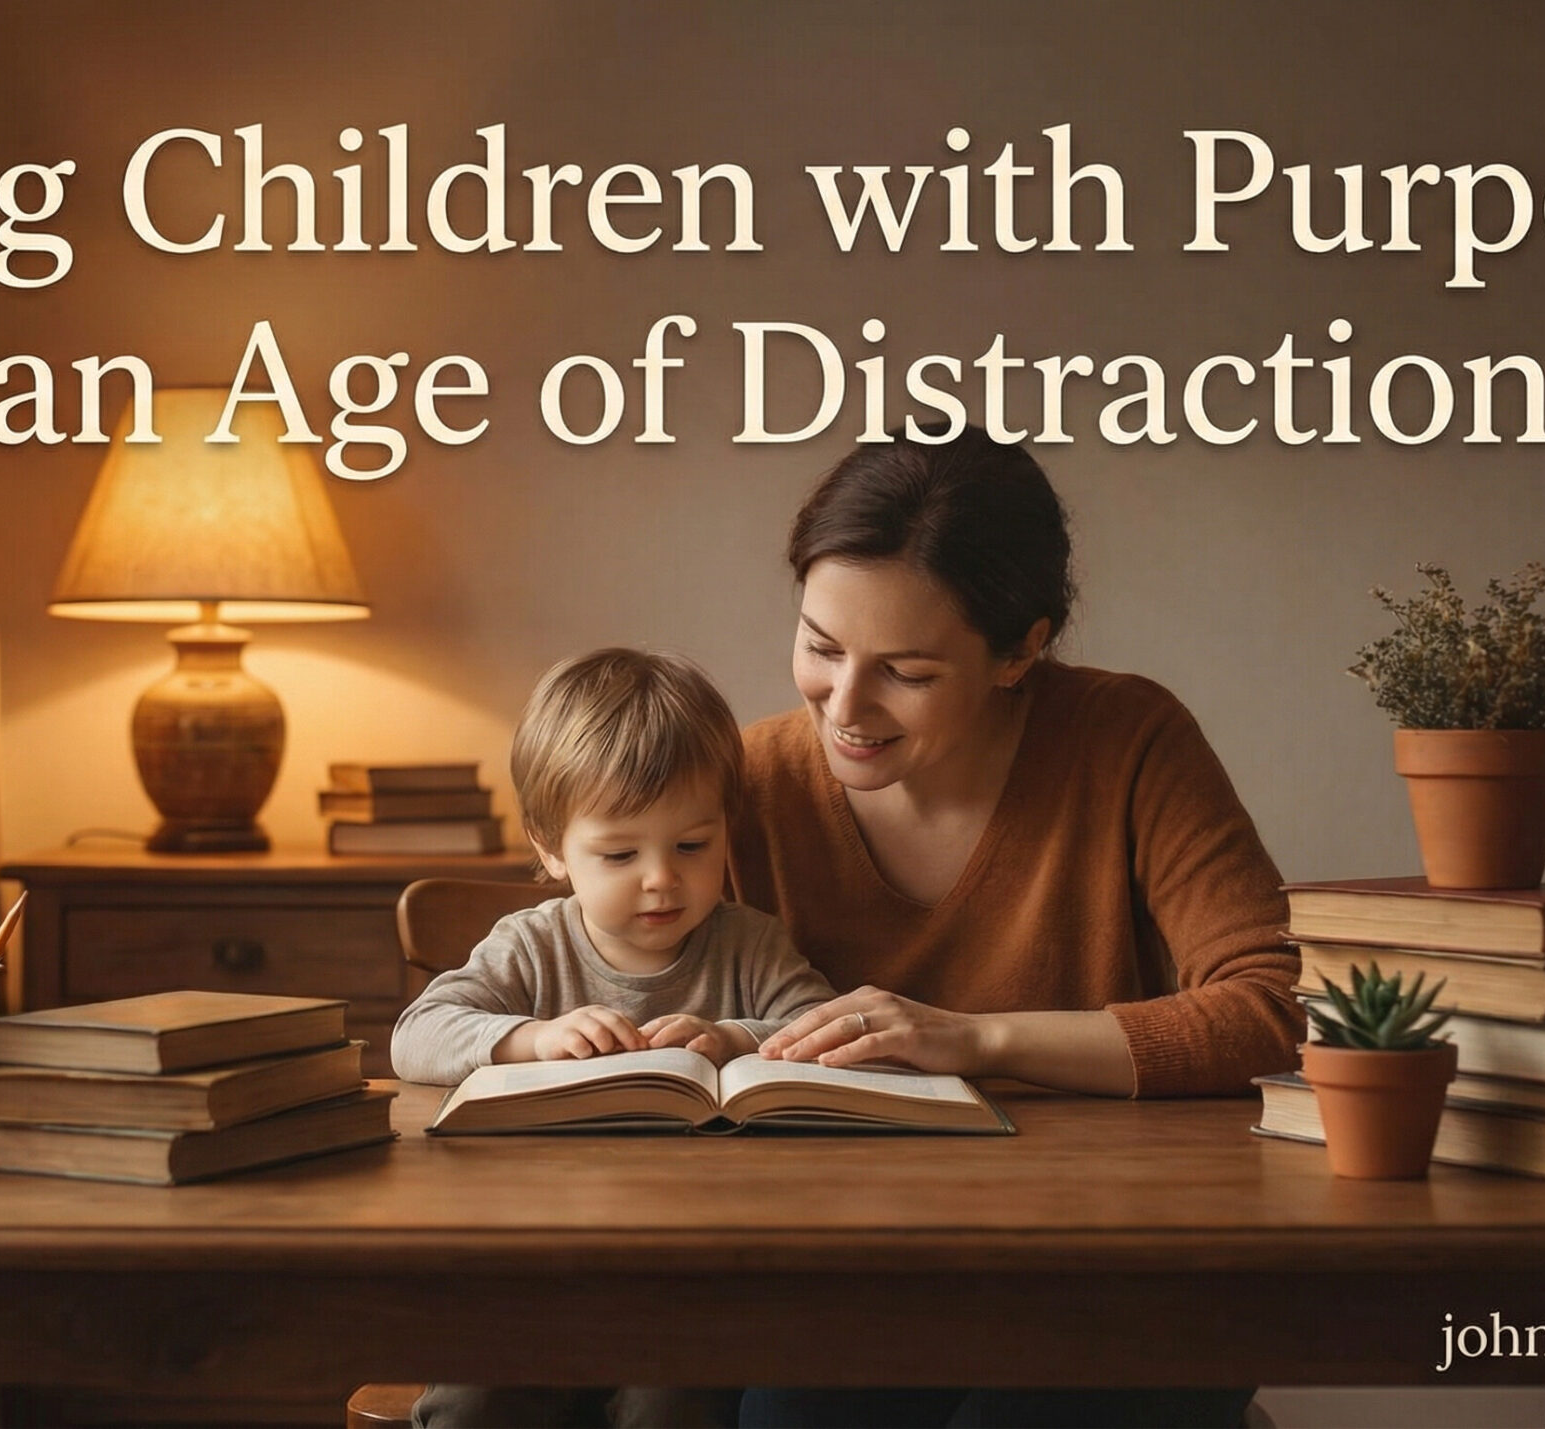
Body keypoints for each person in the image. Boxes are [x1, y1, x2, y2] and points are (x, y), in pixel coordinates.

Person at [730, 431, 1300, 1429]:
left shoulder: (1126, 740)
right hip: (842, 1265)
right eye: (821, 647)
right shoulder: (741, 784)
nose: (843, 707)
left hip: (1114, 1262)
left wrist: (976, 1037)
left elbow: (1271, 1007)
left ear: (1021, 649)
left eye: (905, 670)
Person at [393, 646, 838, 1429]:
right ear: (552, 845)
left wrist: (731, 1035)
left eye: (692, 846)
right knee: (476, 1402)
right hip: (531, 1272)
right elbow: (416, 1035)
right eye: (621, 853)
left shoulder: (751, 946)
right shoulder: (531, 946)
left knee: (676, 1404)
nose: (662, 878)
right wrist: (532, 1038)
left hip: (696, 1282)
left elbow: (818, 1029)